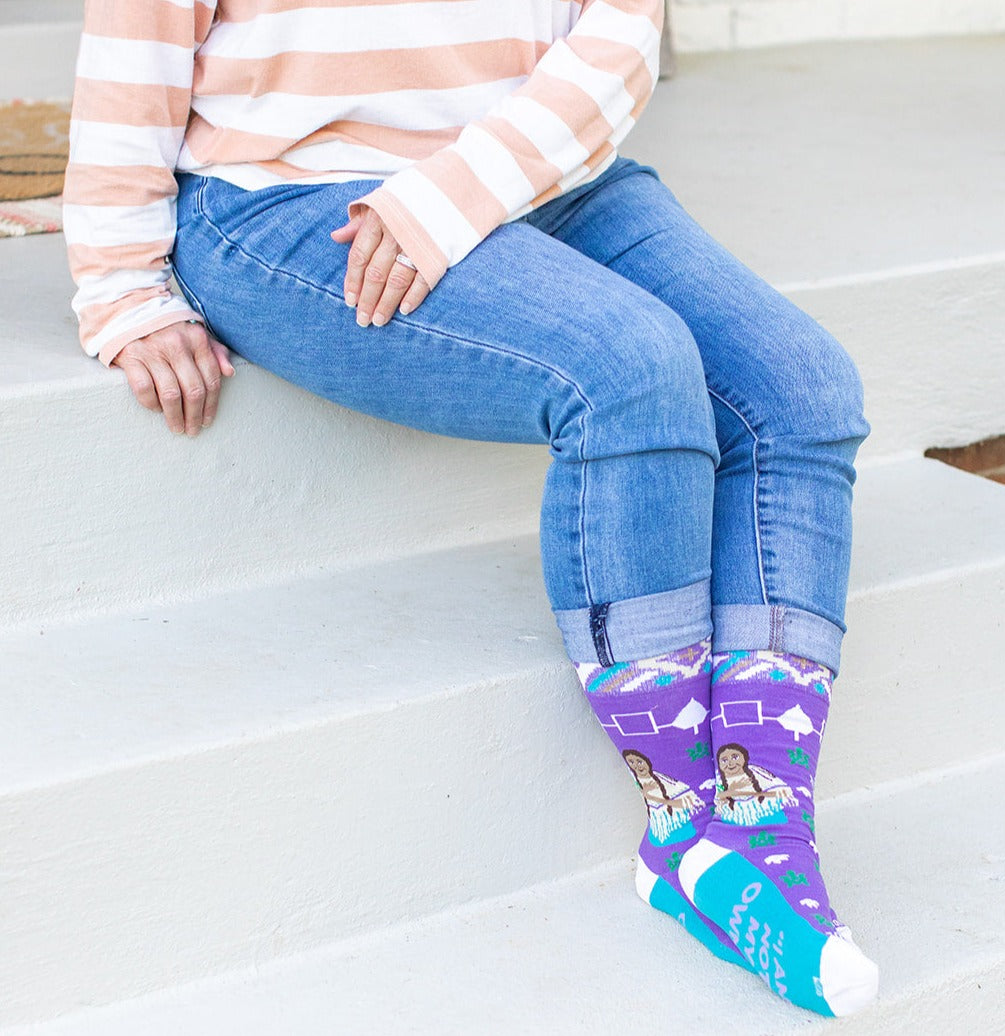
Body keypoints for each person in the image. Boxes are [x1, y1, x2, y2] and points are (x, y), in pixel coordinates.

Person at [63, 0, 878, 1017]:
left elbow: (623, 25)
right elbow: (131, 59)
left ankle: (759, 829)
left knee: (798, 391)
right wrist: (122, 286)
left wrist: (463, 188)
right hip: (290, 193)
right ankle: (683, 832)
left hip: (538, 173)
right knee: (628, 371)